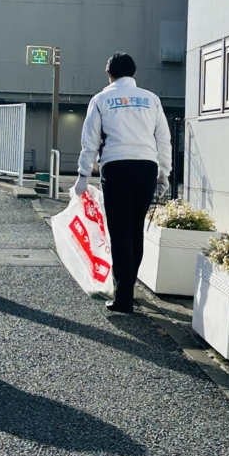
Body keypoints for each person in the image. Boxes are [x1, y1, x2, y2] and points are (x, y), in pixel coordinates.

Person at [74, 52, 172, 314]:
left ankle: (124, 296)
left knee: (119, 232)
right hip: (146, 168)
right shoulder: (151, 99)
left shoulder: (101, 99)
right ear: (134, 73)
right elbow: (163, 139)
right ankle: (128, 288)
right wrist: (164, 173)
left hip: (116, 167)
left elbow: (90, 141)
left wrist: (83, 176)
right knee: (135, 229)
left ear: (109, 73)